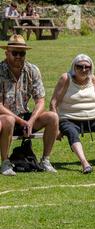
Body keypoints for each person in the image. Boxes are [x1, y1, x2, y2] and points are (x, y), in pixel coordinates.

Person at [0, 34, 58, 176]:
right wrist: (22, 121)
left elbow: (40, 100)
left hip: (25, 118)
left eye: (22, 53)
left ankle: (45, 160)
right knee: (9, 119)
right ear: (7, 53)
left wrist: (31, 121)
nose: (19, 56)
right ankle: (5, 162)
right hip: (4, 119)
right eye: (15, 53)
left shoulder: (32, 70)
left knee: (53, 117)